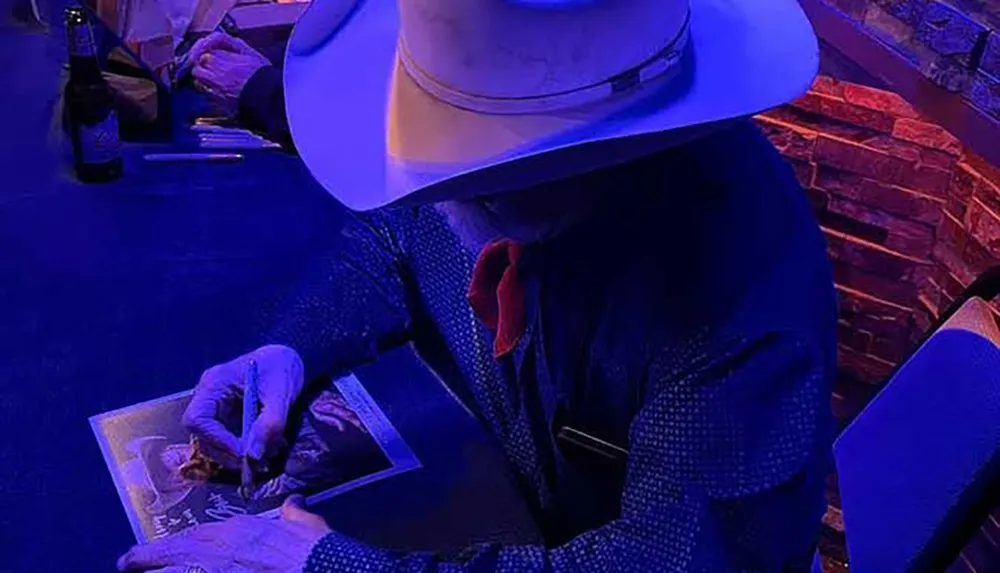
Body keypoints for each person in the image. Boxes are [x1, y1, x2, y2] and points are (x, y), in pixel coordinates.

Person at [119, 0, 837, 571]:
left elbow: (661, 561)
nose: (437, 196)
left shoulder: (746, 312)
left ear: (565, 167)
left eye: (469, 180)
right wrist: (293, 347)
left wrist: (328, 567)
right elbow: (395, 238)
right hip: (505, 493)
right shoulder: (496, 127)